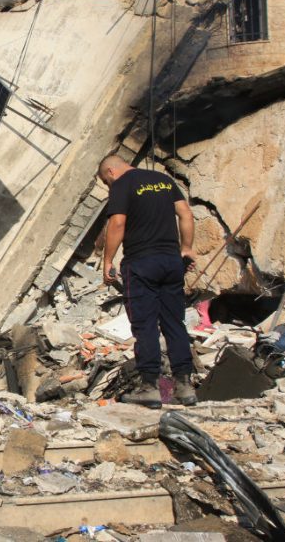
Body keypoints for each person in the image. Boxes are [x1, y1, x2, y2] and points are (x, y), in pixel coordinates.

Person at [97, 154, 198, 408]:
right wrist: (186, 248)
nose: (109, 186)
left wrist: (107, 260)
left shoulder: (122, 184)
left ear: (110, 172)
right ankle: (185, 386)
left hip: (141, 264)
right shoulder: (163, 180)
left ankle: (150, 388)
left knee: (145, 326)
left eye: (106, 182)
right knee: (175, 322)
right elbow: (185, 214)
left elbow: (117, 222)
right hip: (171, 262)